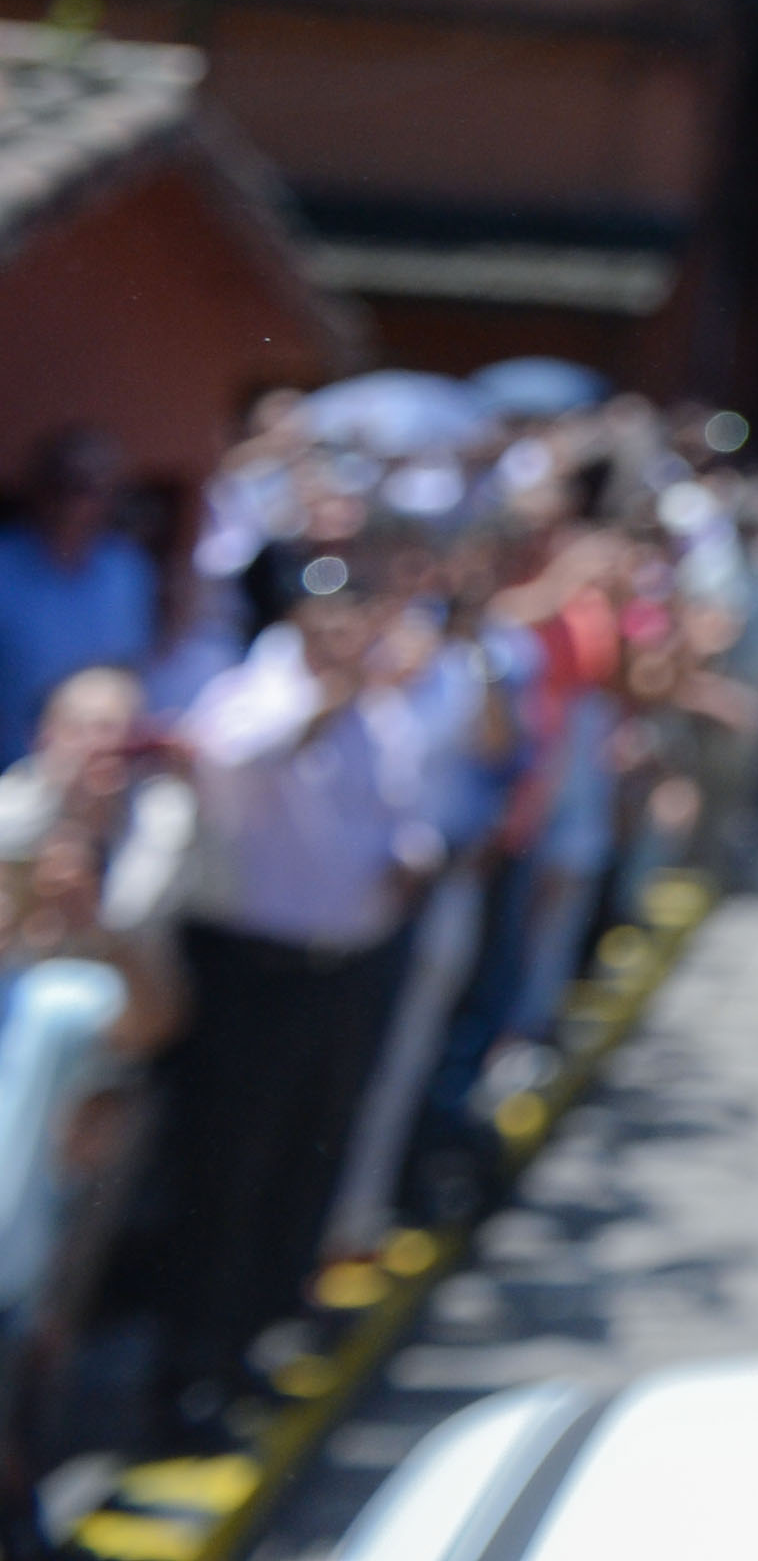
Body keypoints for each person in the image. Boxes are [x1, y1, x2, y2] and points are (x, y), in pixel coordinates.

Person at [149, 547, 432, 1435]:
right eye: (331, 616)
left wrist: (408, 863)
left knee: (309, 1157)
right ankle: (192, 1372)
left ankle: (263, 1339)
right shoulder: (247, 692)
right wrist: (325, 702)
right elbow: (241, 758)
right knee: (229, 1175)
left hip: (342, 965)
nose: (349, 633)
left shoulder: (383, 714)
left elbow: (398, 816)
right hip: (253, 970)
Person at [0, 437, 156, 770]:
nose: (73, 499)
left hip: (95, 781)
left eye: (88, 486)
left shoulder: (126, 569)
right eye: (62, 483)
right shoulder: (4, 566)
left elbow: (128, 674)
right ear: (37, 488)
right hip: (12, 774)